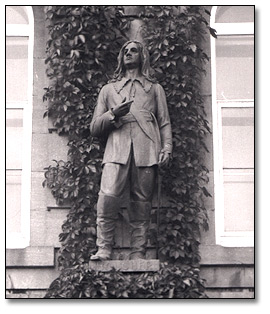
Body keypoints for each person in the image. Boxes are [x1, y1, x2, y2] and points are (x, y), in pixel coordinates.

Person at [90, 40, 172, 261]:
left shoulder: (155, 89)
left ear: (142, 55)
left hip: (146, 150)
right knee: (107, 198)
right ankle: (104, 248)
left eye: (133, 50)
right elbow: (94, 127)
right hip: (116, 150)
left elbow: (164, 122)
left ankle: (138, 252)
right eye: (124, 51)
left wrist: (167, 147)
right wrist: (113, 114)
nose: (128, 53)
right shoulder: (109, 90)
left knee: (142, 202)